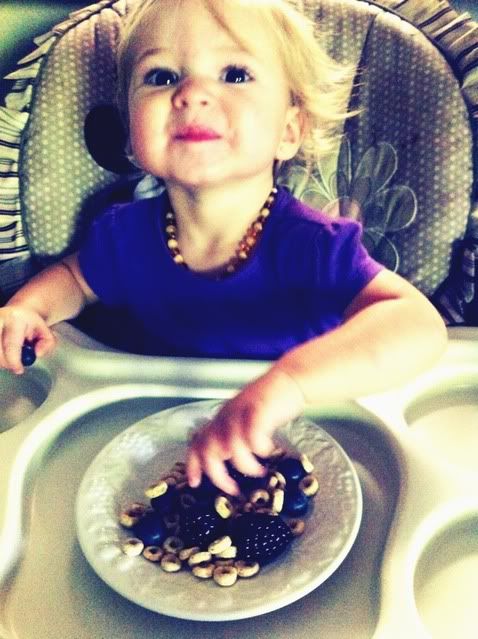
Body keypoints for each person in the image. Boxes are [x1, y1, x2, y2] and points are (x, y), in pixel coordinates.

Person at [0, 0, 447, 495]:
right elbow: (75, 279)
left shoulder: (314, 248)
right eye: (161, 76)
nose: (191, 93)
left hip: (303, 443)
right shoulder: (124, 235)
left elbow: (418, 326)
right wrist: (29, 308)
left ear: (289, 131)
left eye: (235, 74)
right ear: (130, 133)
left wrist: (290, 385)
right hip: (163, 444)